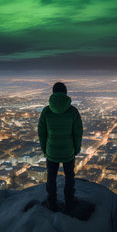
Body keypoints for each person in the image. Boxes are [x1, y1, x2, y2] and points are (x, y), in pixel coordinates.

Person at [38, 82, 83, 212]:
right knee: (69, 177)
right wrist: (77, 148)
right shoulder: (73, 111)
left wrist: (44, 148)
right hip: (68, 151)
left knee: (51, 177)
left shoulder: (46, 111)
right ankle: (69, 201)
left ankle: (51, 201)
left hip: (51, 151)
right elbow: (78, 133)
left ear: (53, 93)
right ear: (65, 93)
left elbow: (42, 132)